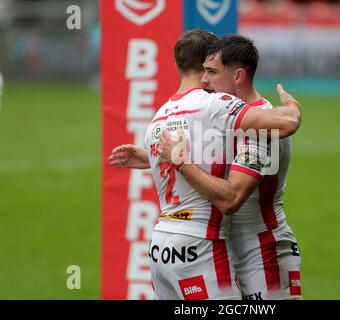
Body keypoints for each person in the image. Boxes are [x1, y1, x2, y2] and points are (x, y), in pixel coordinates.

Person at [109, 29, 301, 300]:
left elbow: (233, 195)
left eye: (211, 72)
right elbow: (211, 147)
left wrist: (292, 105)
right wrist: (151, 156)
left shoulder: (262, 126)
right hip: (225, 243)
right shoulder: (219, 114)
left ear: (237, 76)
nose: (204, 80)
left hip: (262, 247)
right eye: (204, 70)